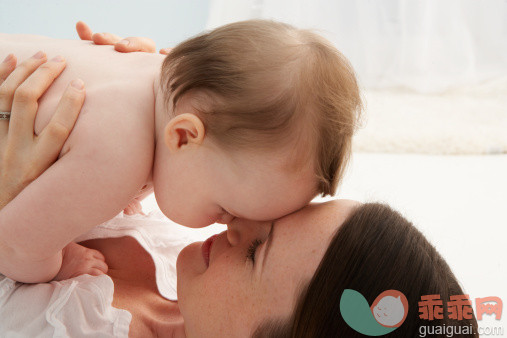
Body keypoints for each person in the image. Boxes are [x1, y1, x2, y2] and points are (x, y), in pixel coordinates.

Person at [0, 53, 478, 337]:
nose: (232, 224)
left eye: (254, 252)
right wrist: (154, 103)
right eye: (282, 216)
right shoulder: (197, 275)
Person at [0, 20, 362, 283]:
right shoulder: (118, 157)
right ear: (184, 136)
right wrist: (54, 261)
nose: (226, 228)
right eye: (225, 211)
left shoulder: (155, 69)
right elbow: (13, 247)